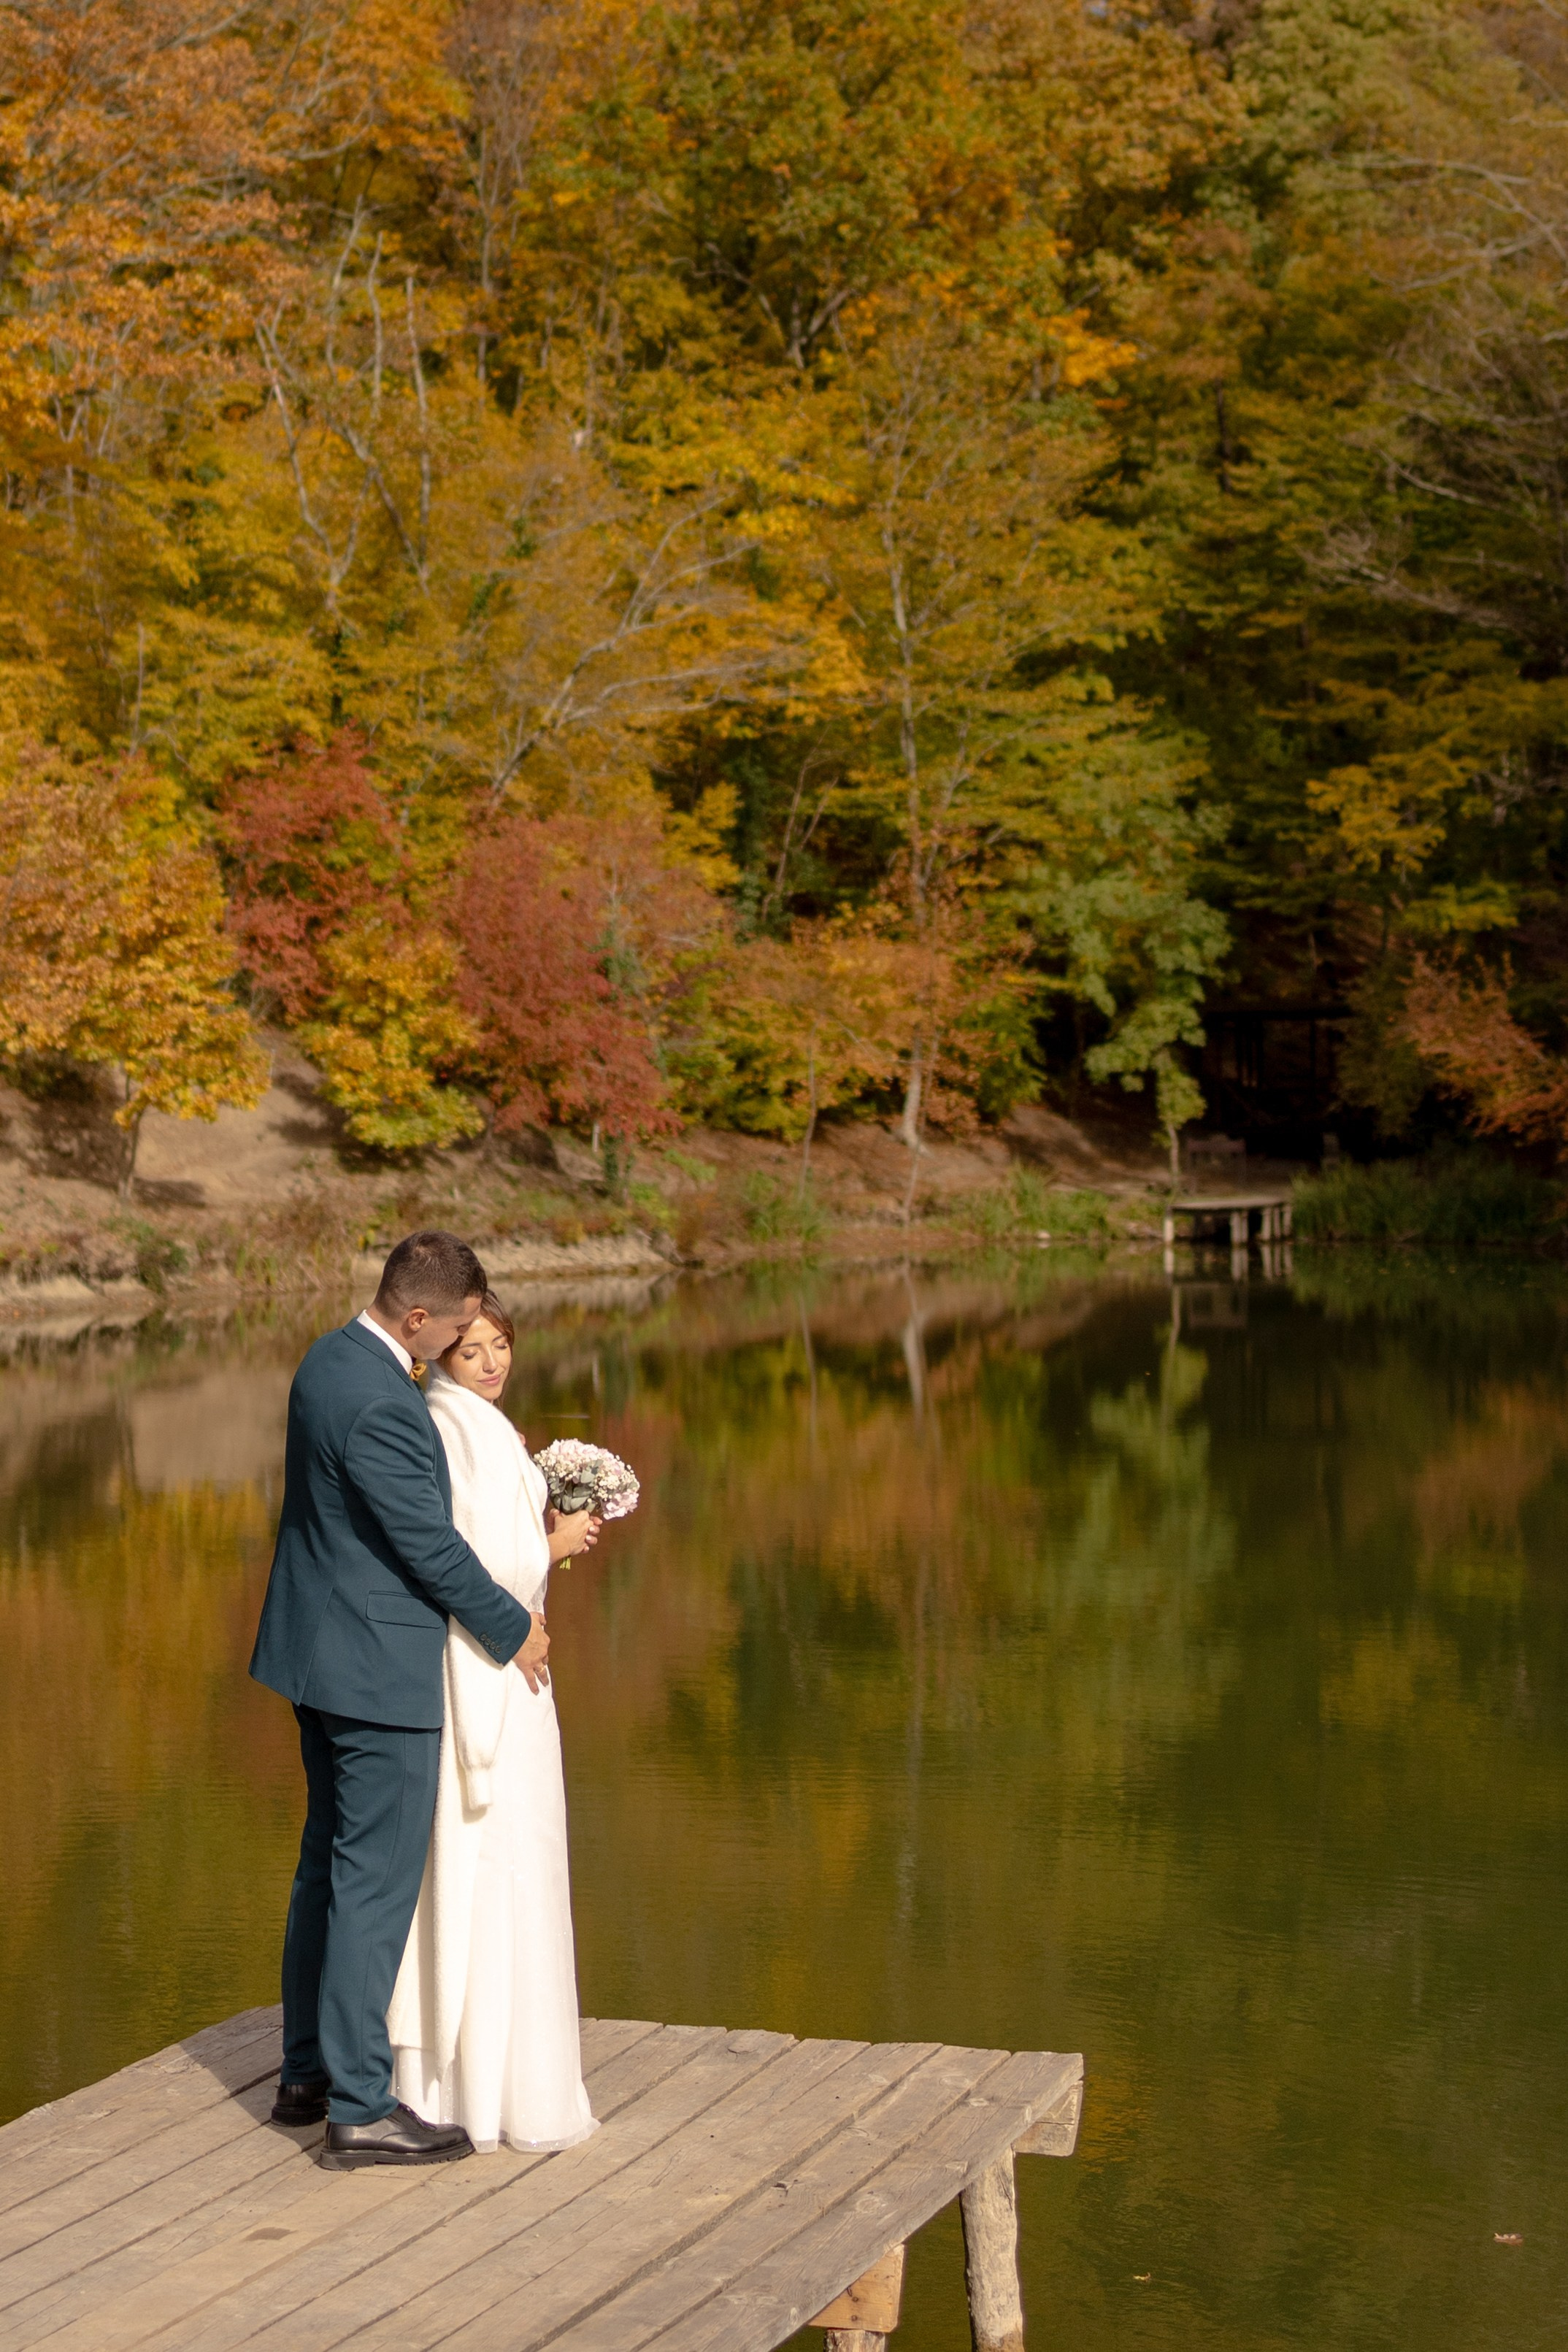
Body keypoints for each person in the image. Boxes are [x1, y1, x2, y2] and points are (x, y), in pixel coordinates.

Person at [249, 1231, 550, 2171]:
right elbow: (428, 1546)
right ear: (417, 1318)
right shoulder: (383, 1402)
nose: (469, 1341)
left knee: (325, 1870)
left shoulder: (328, 1358)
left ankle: (305, 2074)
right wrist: (514, 1629)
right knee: (374, 1887)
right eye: (460, 1328)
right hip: (375, 1670)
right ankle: (362, 2106)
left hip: (314, 1652)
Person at [388, 1292, 601, 2151]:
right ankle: (475, 2087)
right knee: (493, 1856)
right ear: (439, 1352)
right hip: (487, 1667)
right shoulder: (449, 1427)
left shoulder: (484, 1426)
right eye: (472, 1348)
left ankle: (516, 2075)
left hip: (514, 1669)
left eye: (501, 1345)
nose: (491, 1362)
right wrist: (551, 1546)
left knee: (524, 1858)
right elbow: (462, 1559)